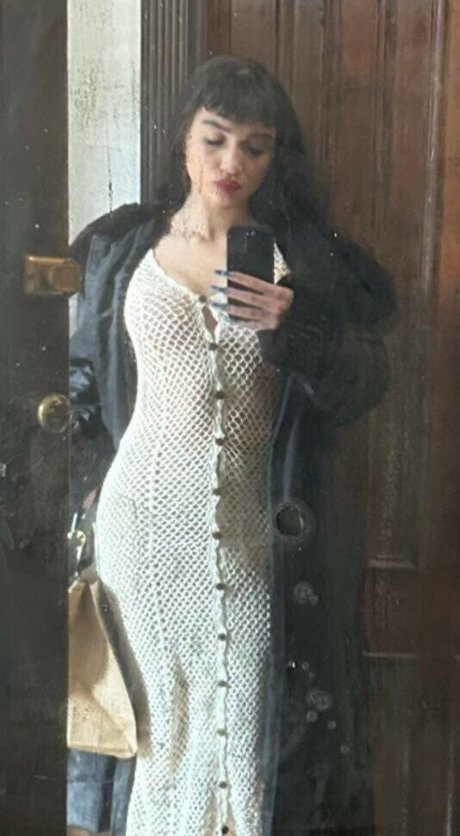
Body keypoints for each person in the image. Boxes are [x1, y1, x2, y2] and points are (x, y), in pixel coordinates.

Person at [68, 56, 396, 836]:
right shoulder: (125, 250)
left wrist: (296, 328)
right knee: (161, 732)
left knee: (246, 734)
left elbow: (366, 384)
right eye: (214, 139)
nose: (231, 163)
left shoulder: (303, 259)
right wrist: (79, 490)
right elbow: (80, 388)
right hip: (142, 529)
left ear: (276, 155)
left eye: (255, 146)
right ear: (183, 140)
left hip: (256, 530)